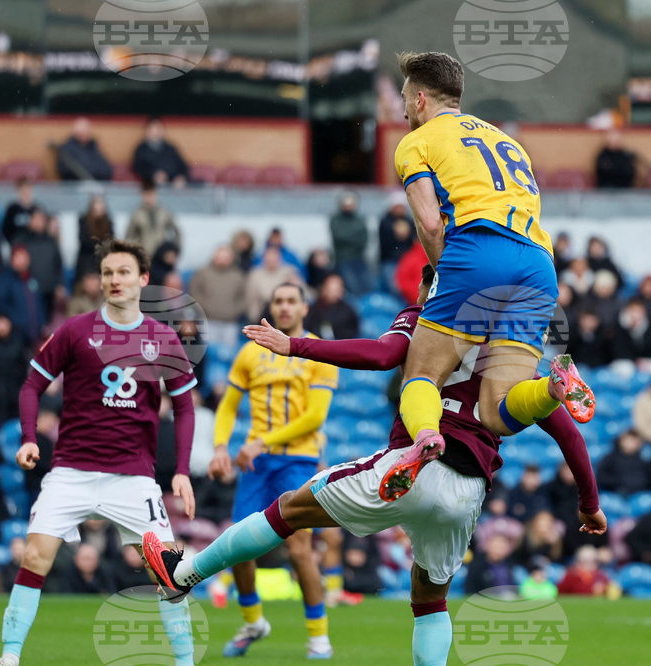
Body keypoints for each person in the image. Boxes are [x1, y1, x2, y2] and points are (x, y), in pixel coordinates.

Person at [144, 263, 606, 666]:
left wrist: (297, 347)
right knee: (429, 600)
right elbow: (566, 432)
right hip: (469, 487)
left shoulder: (426, 316)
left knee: (288, 509)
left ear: (431, 288)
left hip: (413, 464)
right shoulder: (507, 346)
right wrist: (590, 504)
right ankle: (548, 385)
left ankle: (184, 574)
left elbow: (381, 354)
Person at [390, 51, 593, 500]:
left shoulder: (415, 142)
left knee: (421, 376)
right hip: (539, 263)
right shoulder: (506, 140)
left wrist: (449, 274)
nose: (402, 108)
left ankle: (425, 439)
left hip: (478, 250)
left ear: (420, 98)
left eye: (404, 98)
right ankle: (554, 386)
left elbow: (428, 223)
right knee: (498, 411)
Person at [0, 239, 198, 666]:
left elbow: (183, 406)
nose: (114, 280)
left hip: (134, 476)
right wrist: (29, 437)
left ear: (143, 279)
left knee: (167, 573)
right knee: (34, 556)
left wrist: (180, 469)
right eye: (107, 273)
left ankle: (184, 661)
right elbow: (31, 385)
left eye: (123, 272)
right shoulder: (74, 330)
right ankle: (10, 656)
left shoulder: (162, 338)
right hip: (71, 470)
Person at [209, 283, 338, 659]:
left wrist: (261, 442)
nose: (283, 307)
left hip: (298, 460)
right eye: (278, 301)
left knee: (299, 549)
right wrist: (220, 447)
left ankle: (318, 636)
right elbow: (229, 406)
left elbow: (315, 417)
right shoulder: (251, 352)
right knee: (237, 548)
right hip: (257, 463)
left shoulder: (320, 354)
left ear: (304, 307)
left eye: (290, 301)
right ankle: (252, 622)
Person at [188, 245, 247, 348]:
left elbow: (244, 297)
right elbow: (195, 292)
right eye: (220, 257)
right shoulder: (203, 273)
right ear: (214, 257)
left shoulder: (238, 276)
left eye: (226, 257)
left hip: (230, 323)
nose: (223, 260)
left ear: (231, 258)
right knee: (209, 353)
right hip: (209, 321)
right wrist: (206, 308)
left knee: (229, 354)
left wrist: (234, 311)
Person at [12, 209, 63, 317]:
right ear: (30, 220)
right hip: (27, 291)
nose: (38, 222)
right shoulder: (21, 239)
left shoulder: (51, 241)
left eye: (41, 219)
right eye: (35, 219)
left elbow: (58, 264)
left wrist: (59, 284)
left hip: (48, 290)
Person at [0, 245, 46, 345]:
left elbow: (41, 304)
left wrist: (42, 324)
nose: (22, 261)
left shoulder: (34, 278)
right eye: (18, 257)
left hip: (36, 335)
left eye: (24, 257)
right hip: (15, 337)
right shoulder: (4, 280)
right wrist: (15, 321)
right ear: (12, 260)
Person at [125, 180, 181, 258]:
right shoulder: (137, 214)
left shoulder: (164, 212)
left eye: (151, 194)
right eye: (146, 194)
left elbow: (176, 231)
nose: (149, 197)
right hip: (143, 255)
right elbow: (129, 236)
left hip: (161, 256)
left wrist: (175, 250)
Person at [329, 191, 369, 296]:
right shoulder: (336, 219)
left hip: (359, 258)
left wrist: (350, 236)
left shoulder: (359, 218)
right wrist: (354, 234)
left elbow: (364, 238)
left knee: (367, 286)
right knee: (352, 288)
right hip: (343, 259)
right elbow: (339, 236)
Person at [245, 246, 300, 323]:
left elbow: (300, 291)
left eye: (274, 259)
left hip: (285, 315)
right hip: (262, 315)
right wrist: (254, 318)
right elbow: (251, 298)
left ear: (279, 259)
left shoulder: (289, 272)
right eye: (269, 259)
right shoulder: (255, 275)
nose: (272, 261)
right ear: (264, 259)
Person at [132, 117, 189, 186]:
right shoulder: (141, 150)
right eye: (152, 130)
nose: (155, 134)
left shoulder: (170, 148)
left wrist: (180, 177)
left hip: (172, 188)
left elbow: (183, 166)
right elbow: (138, 167)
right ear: (147, 131)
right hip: (150, 188)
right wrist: (153, 174)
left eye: (158, 130)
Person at [303, 273, 360, 341]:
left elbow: (353, 333)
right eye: (331, 288)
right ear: (323, 288)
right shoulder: (312, 310)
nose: (335, 292)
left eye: (338, 288)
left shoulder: (348, 311)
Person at [379, 191, 416, 294]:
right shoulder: (385, 221)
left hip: (407, 261)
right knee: (394, 289)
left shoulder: (409, 221)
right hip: (390, 261)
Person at [597, 430, 651, 496]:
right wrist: (619, 483)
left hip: (641, 494)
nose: (632, 444)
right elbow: (601, 477)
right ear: (622, 441)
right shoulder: (611, 458)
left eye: (635, 441)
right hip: (617, 493)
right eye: (629, 440)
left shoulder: (645, 459)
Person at [57, 117, 112, 181]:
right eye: (80, 132)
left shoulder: (93, 147)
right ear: (75, 133)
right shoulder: (67, 149)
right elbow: (64, 171)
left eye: (85, 131)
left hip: (97, 184)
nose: (83, 134)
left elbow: (107, 169)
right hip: (75, 186)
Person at [76, 194, 115, 278]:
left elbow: (110, 243)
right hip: (86, 264)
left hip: (103, 263)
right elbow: (85, 242)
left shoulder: (108, 223)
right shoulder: (83, 221)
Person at [2, 178, 40, 243]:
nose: (25, 194)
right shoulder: (12, 209)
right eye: (23, 192)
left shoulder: (36, 210)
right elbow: (6, 229)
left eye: (27, 191)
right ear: (18, 192)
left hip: (33, 245)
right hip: (16, 245)